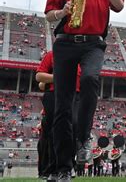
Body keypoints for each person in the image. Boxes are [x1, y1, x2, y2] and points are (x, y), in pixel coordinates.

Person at [44, 0, 124, 182]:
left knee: (90, 79)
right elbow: (48, 14)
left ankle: (84, 137)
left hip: (93, 44)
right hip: (65, 43)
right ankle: (63, 168)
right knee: (62, 109)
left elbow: (119, 5)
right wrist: (63, 11)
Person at [36, 51, 81, 181]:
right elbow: (39, 78)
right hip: (54, 94)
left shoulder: (84, 57)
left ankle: (66, 167)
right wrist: (58, 77)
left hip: (75, 95)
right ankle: (54, 170)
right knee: (53, 133)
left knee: (72, 127)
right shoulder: (52, 55)